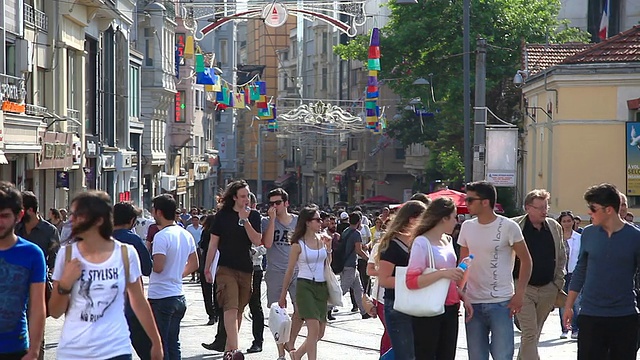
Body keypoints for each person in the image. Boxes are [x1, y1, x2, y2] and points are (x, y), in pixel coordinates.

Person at [48, 191, 163, 360]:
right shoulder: (67, 255)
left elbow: (139, 302)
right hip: (75, 351)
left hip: (116, 349)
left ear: (100, 220)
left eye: (79, 216)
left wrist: (156, 342)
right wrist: (65, 284)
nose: (72, 221)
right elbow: (55, 311)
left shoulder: (125, 253)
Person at [563, 184, 640, 360]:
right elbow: (580, 270)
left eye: (593, 208)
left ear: (609, 210)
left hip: (624, 316)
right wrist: (569, 305)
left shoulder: (635, 238)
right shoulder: (588, 234)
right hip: (591, 315)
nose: (589, 213)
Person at [458, 181, 532, 360]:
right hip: (473, 303)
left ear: (485, 202)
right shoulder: (467, 227)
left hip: (501, 302)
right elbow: (463, 263)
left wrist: (519, 294)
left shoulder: (508, 227)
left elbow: (527, 260)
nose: (466, 203)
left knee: (502, 356)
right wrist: (461, 292)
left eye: (470, 200)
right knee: (476, 357)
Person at [406, 197, 474, 359]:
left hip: (450, 308)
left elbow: (449, 280)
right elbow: (411, 281)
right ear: (444, 218)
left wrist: (462, 295)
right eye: (454, 217)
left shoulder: (448, 241)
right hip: (428, 309)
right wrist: (443, 273)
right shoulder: (421, 242)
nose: (456, 222)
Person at [204, 180, 262, 359]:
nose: (246, 200)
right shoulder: (223, 216)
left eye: (248, 196)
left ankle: (229, 351)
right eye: (243, 196)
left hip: (246, 268)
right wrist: (207, 268)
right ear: (235, 197)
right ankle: (235, 350)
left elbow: (257, 240)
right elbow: (213, 244)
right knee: (230, 305)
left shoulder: (253, 216)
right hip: (225, 267)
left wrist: (245, 221)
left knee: (239, 310)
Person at [511, 190, 566, 360]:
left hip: (548, 288)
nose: (544, 211)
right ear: (528, 208)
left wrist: (557, 283)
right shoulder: (515, 226)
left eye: (546, 207)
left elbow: (561, 255)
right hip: (523, 287)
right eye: (540, 207)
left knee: (535, 334)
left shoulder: (554, 227)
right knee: (530, 332)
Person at [278, 206, 333, 360]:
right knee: (313, 329)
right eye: (317, 219)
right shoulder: (298, 244)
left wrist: (329, 248)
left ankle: (297, 355)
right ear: (308, 222)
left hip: (321, 287)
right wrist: (283, 295)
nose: (321, 222)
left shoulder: (323, 239)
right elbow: (289, 270)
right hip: (305, 286)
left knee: (320, 332)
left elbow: (327, 263)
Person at [148, 194, 199, 359]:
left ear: (159, 212)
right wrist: (178, 274)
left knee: (161, 344)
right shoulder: (185, 234)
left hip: (161, 296)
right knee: (173, 342)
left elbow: (158, 267)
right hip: (178, 295)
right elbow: (194, 263)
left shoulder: (161, 236)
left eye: (153, 210)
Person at [376, 200, 428, 360]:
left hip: (415, 303)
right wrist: (413, 280)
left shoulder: (417, 242)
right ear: (412, 219)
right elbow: (384, 280)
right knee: (405, 353)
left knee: (412, 350)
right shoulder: (392, 245)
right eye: (424, 218)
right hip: (396, 305)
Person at [0, 182, 46, 360]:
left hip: (16, 348)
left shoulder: (32, 253)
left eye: (4, 216)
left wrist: (34, 351)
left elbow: (37, 306)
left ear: (19, 216)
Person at [15, 191, 60, 359]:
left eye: (21, 209)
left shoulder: (49, 231)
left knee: (36, 331)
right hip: (14, 286)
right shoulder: (14, 228)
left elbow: (55, 261)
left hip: (38, 286)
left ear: (31, 210)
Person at [261, 188, 303, 359]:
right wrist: (271, 220)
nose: (274, 206)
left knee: (301, 309)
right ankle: (281, 352)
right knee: (277, 313)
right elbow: (268, 244)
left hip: (297, 270)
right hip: (275, 271)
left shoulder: (298, 221)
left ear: (286, 203)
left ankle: (290, 341)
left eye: (278, 203)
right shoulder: (266, 221)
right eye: (271, 204)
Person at [112, 202, 154, 359]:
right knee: (148, 350)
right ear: (131, 221)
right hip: (132, 304)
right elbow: (147, 268)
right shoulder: (133, 240)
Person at [339, 212, 370, 319]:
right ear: (359, 221)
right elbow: (359, 250)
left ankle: (364, 312)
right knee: (343, 289)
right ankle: (327, 308)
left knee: (359, 289)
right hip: (350, 265)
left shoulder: (345, 231)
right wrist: (368, 259)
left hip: (345, 263)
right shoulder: (356, 233)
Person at [557, 211, 581, 339]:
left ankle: (575, 328)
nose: (567, 224)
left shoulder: (579, 238)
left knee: (576, 302)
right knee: (563, 302)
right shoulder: (557, 238)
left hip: (575, 273)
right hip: (561, 274)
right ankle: (565, 329)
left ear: (573, 222)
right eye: (564, 221)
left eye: (569, 221)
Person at [366, 239, 390, 356]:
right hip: (381, 297)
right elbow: (369, 270)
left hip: (403, 296)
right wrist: (386, 271)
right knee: (390, 331)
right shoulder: (380, 246)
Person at [198, 214, 218, 326]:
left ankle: (211, 314)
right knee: (217, 290)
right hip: (217, 261)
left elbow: (202, 245)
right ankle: (217, 313)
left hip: (206, 260)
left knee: (206, 291)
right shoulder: (219, 232)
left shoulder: (205, 232)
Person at [186, 215, 203, 282]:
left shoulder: (201, 228)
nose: (195, 222)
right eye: (194, 220)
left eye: (196, 220)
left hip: (199, 246)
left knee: (199, 261)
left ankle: (199, 276)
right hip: (192, 246)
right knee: (191, 261)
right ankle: (193, 276)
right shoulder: (189, 228)